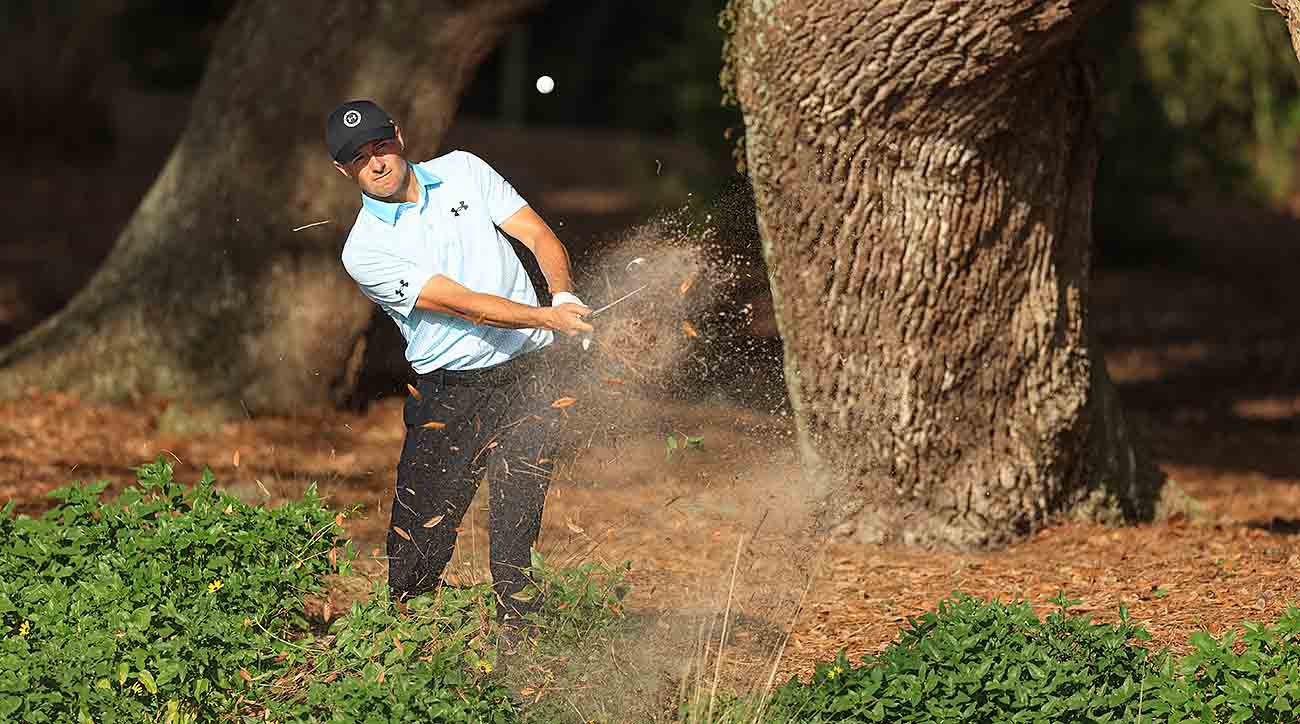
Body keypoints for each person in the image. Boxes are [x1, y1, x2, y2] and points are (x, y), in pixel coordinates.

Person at [325, 99, 592, 636]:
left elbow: (537, 235)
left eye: (379, 145)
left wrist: (562, 295)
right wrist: (546, 316)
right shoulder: (365, 249)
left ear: (398, 137)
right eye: (358, 157)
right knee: (419, 544)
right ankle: (402, 654)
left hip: (530, 376)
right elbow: (461, 302)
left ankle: (524, 658)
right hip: (451, 395)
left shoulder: (463, 170)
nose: (375, 162)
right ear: (343, 170)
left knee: (517, 527)